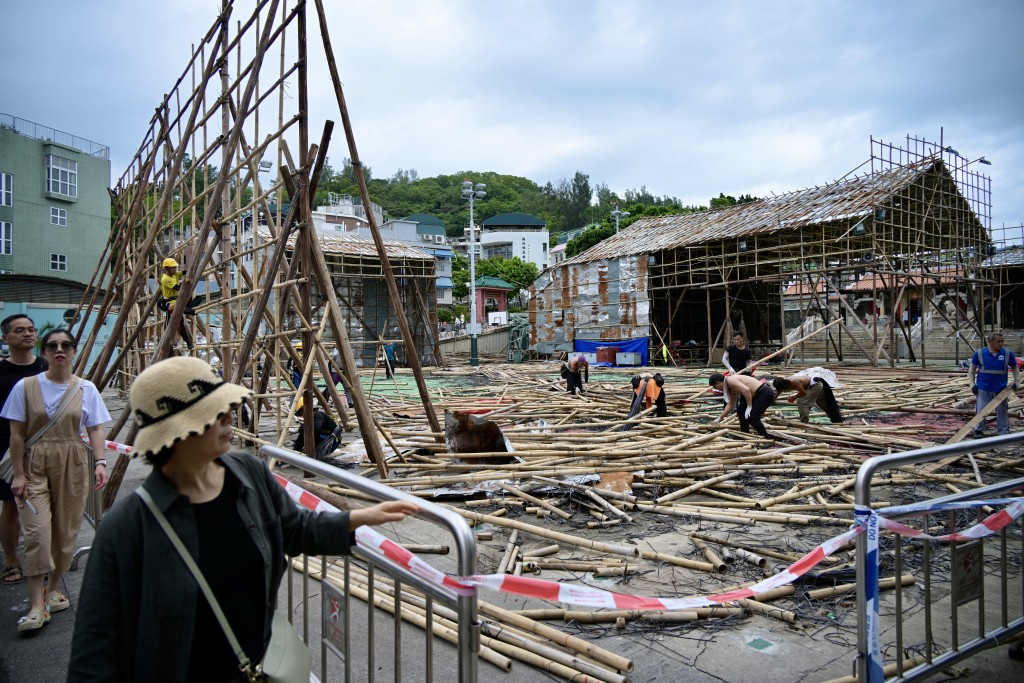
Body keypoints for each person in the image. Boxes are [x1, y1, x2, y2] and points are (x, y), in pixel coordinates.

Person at [67, 356, 418, 681]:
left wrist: (357, 518)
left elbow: (294, 529)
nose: (230, 417)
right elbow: (93, 653)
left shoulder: (248, 475)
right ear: (179, 431)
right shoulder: (127, 528)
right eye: (216, 413)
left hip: (255, 666)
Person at [1, 328, 110, 632]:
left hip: (72, 461)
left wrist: (100, 462)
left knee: (65, 533)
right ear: (44, 352)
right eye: (52, 345)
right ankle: (36, 603)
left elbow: (96, 428)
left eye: (66, 345)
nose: (59, 349)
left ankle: (52, 593)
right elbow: (17, 434)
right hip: (35, 462)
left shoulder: (86, 388)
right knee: (38, 533)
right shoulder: (26, 386)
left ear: (74, 351)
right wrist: (19, 474)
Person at [0, 315, 48, 587]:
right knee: (11, 506)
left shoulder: (45, 367)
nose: (28, 334)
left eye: (31, 329)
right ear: (6, 338)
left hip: (44, 445)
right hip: (6, 447)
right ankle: (11, 561)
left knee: (46, 504)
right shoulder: (2, 372)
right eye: (20, 331)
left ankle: (42, 559)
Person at [968, 332, 1021, 437]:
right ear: (990, 342)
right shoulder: (979, 354)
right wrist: (972, 384)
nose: (1001, 343)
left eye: (1002, 341)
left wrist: (1017, 382)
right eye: (998, 341)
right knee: (981, 409)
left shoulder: (1007, 354)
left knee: (1002, 410)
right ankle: (978, 430)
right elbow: (972, 370)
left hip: (1001, 388)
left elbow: (1015, 368)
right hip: (984, 387)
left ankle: (1003, 431)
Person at [709, 371, 775, 438]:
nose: (716, 389)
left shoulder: (730, 380)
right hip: (755, 395)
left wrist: (749, 407)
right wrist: (720, 418)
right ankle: (745, 433)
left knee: (753, 417)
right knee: (740, 411)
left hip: (764, 393)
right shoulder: (728, 387)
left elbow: (746, 390)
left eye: (715, 387)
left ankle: (765, 436)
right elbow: (730, 404)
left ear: (718, 383)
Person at [772, 367, 844, 423]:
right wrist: (772, 401)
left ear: (784, 384)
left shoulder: (793, 381)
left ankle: (804, 422)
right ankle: (835, 419)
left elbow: (803, 393)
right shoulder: (782, 386)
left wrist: (793, 397)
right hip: (815, 386)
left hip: (816, 385)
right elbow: (778, 392)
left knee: (801, 402)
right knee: (821, 402)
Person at [159, 257, 196, 350]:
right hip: (170, 303)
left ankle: (186, 308)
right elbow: (178, 288)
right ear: (167, 268)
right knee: (178, 325)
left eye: (175, 267)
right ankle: (186, 342)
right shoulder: (165, 279)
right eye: (173, 268)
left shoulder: (174, 275)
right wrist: (187, 282)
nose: (175, 269)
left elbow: (183, 273)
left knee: (181, 323)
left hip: (177, 301)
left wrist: (192, 270)